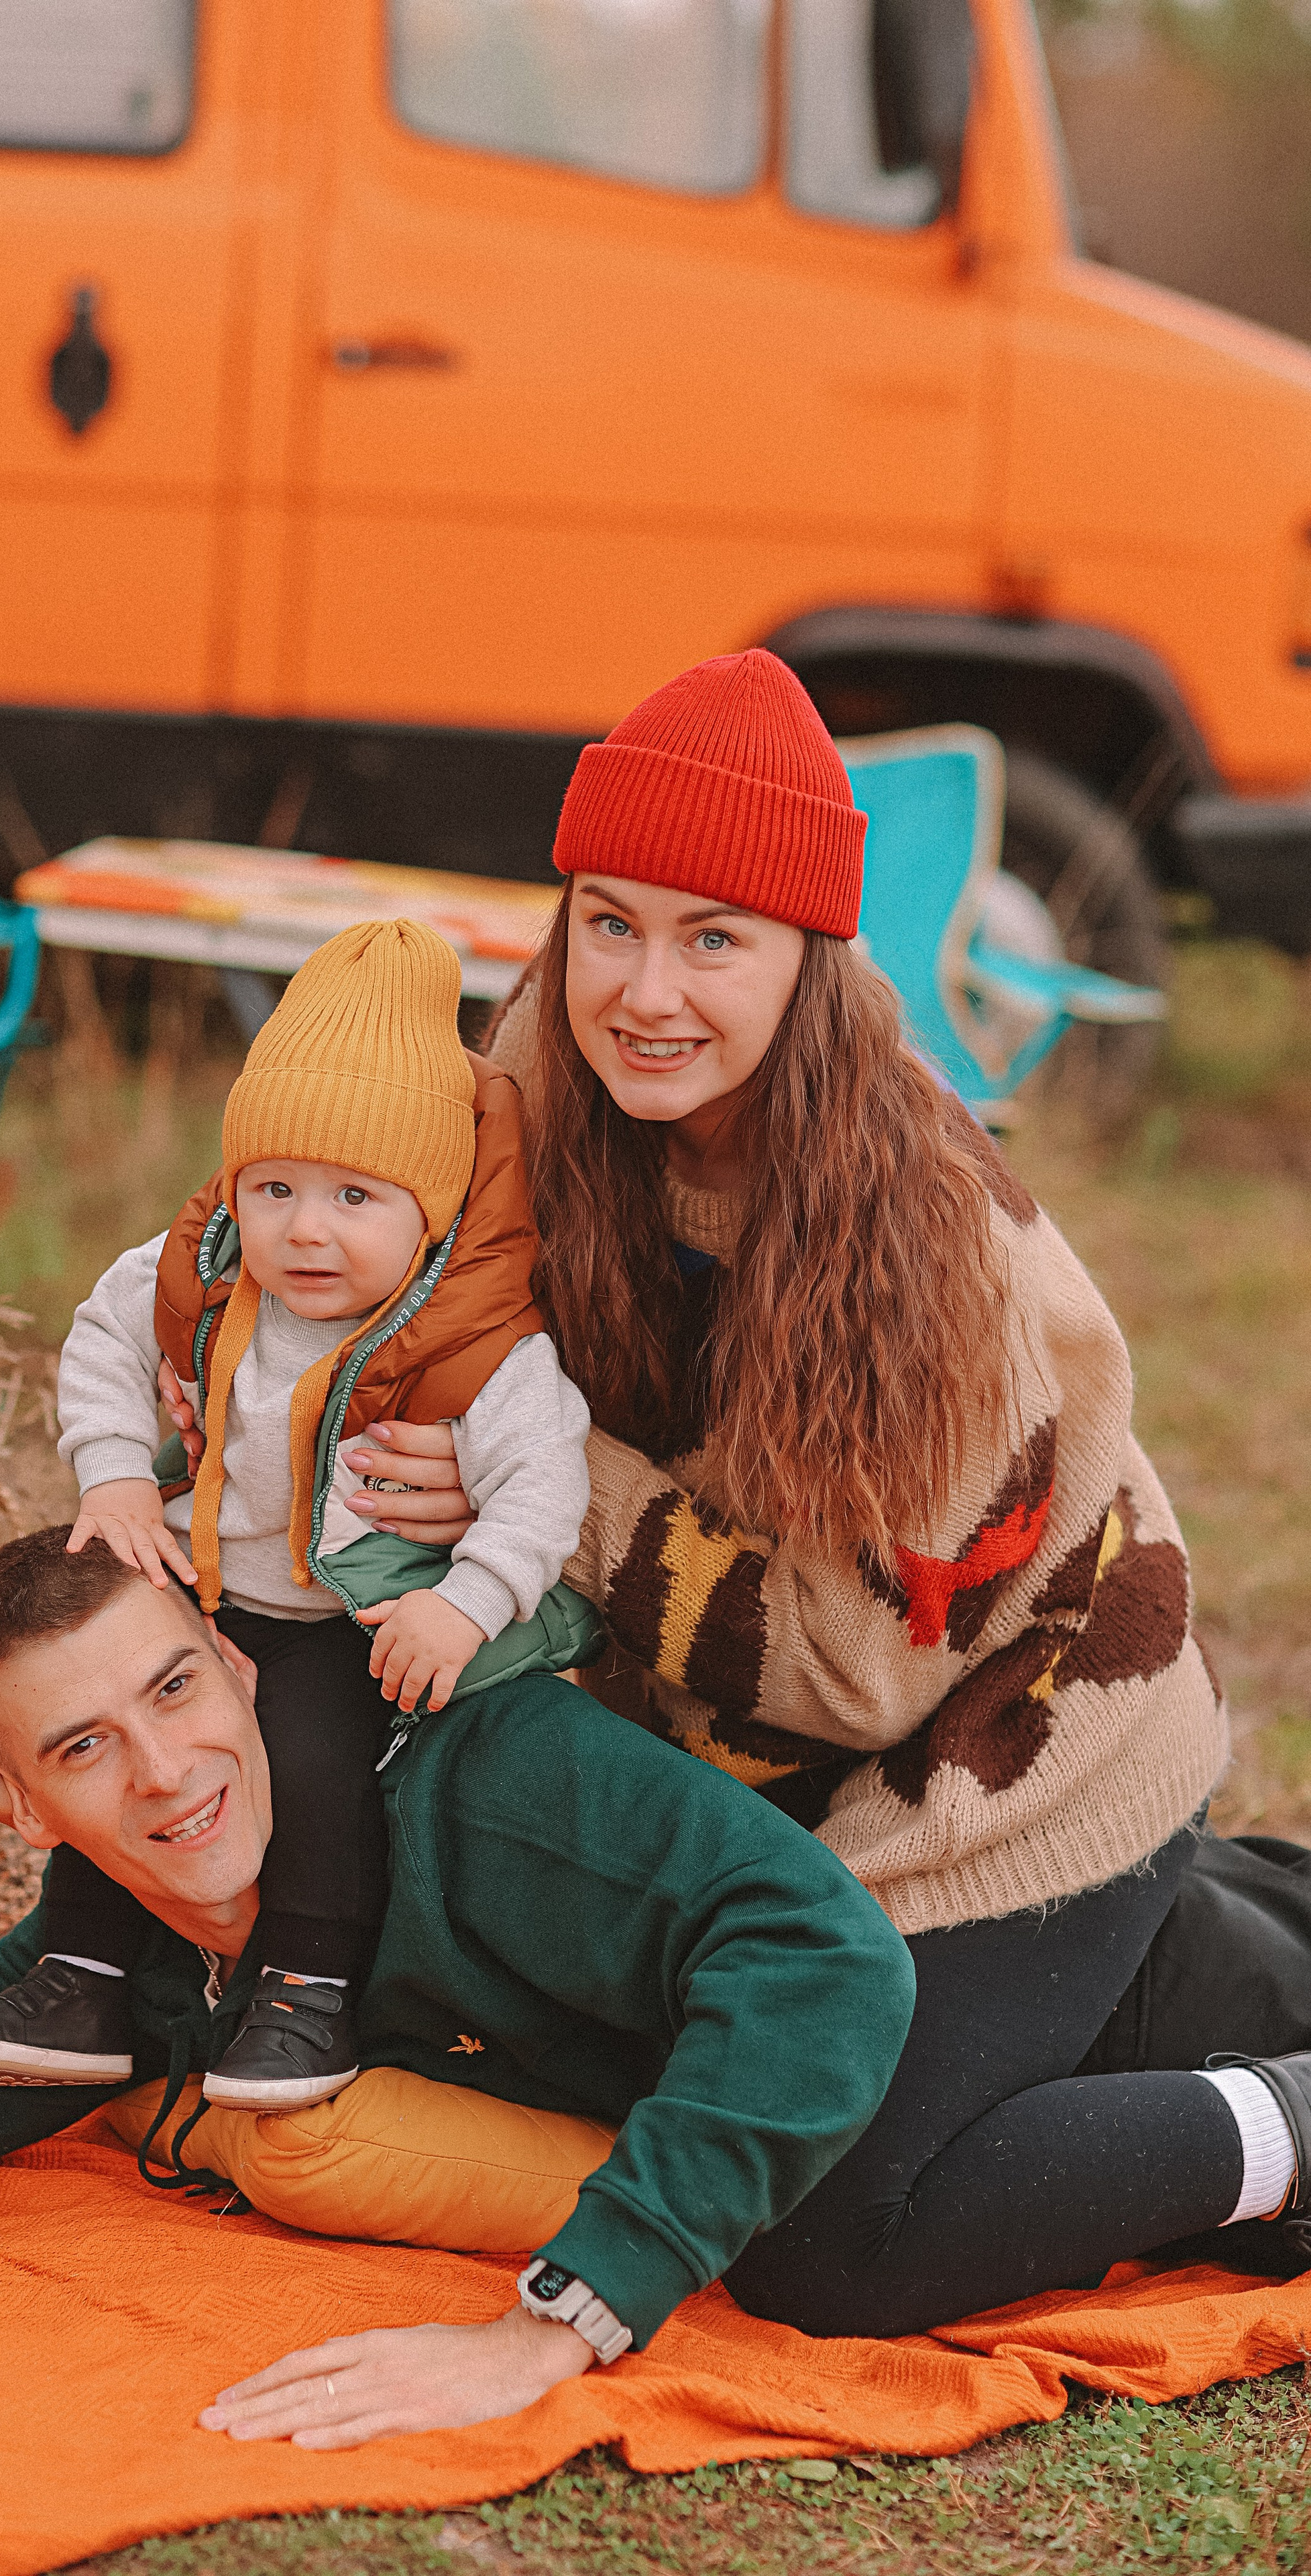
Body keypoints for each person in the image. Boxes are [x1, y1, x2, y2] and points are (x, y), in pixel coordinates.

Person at [288, 647, 1311, 2334]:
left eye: (714, 939)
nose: (644, 988)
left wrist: (533, 1484)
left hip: (1015, 1747)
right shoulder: (545, 1075)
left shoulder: (921, 1242)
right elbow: (360, 1251)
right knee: (595, 2040)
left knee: (825, 2235)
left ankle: (1278, 2125)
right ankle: (1222, 1949)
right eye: (607, 919)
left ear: (807, 957)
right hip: (758, 1779)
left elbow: (865, 1671)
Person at [0, 1527, 917, 2446]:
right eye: (80, 1747)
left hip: (950, 1993)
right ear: (22, 1806)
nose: (165, 1773)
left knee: (855, 2253)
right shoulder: (121, 1980)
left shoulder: (480, 1772)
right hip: (793, 2120)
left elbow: (826, 1953)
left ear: (238, 1663)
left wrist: (552, 2328)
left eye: (173, 1688)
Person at [0, 919, 597, 2107]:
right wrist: (117, 1473)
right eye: (275, 1186)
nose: (306, 1228)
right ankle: (81, 1970)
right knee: (126, 1737)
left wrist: (467, 1603)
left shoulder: (471, 1343)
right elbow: (96, 1341)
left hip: (350, 1614)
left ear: (430, 1211)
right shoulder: (203, 1272)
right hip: (203, 1578)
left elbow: (546, 1483)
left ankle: (305, 1988)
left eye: (355, 1195)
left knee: (313, 1762)